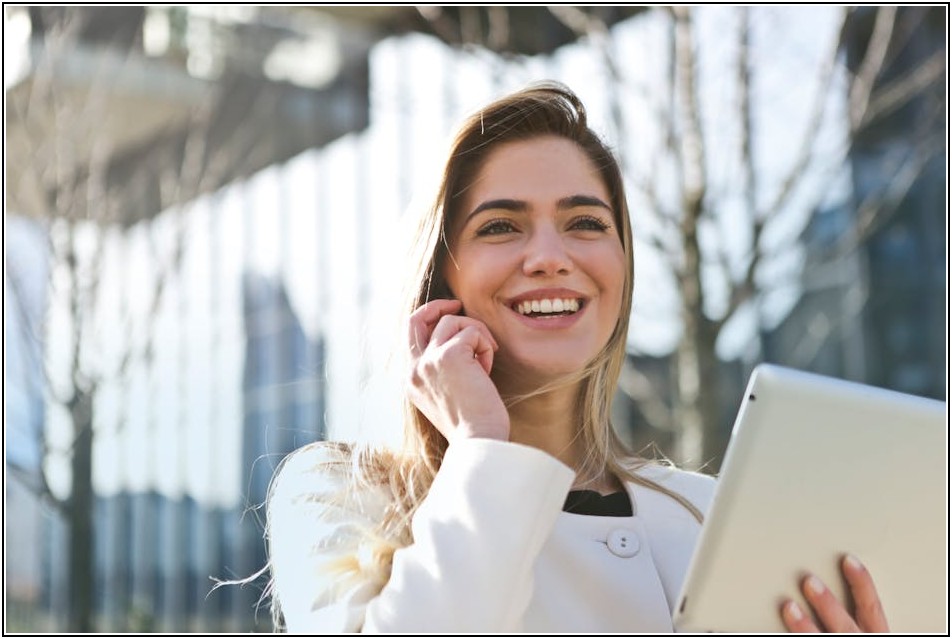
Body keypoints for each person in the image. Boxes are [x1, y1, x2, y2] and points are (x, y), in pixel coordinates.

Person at [264, 82, 889, 633]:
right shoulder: (335, 495)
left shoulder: (708, 513)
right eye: (501, 226)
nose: (549, 256)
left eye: (586, 223)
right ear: (440, 280)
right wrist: (483, 446)